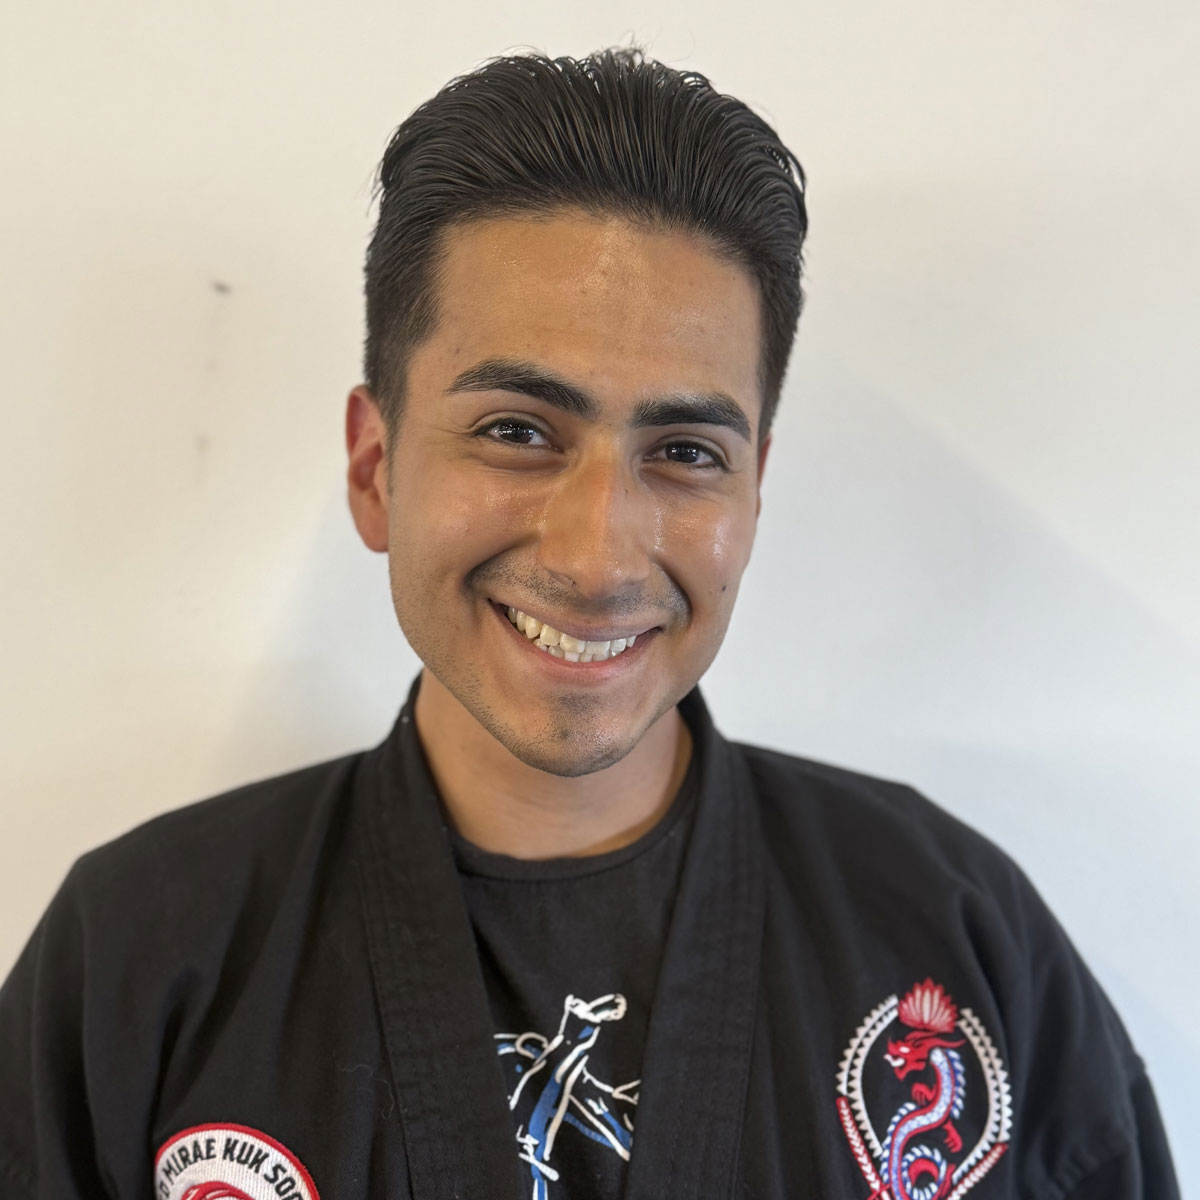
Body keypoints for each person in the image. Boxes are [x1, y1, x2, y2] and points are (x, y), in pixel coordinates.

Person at [0, 45, 1179, 1200]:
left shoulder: (953, 931)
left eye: (683, 452)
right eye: (518, 430)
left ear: (752, 490)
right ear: (375, 466)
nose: (598, 553)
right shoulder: (143, 960)